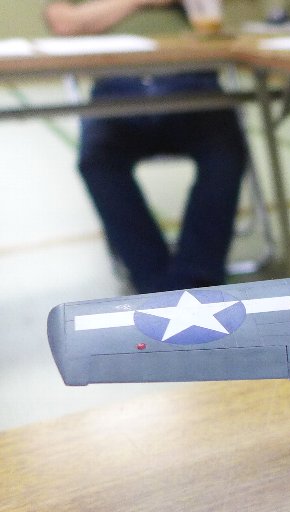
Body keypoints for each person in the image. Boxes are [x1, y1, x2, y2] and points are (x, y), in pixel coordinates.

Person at [44, 0, 249, 293]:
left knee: (225, 151)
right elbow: (64, 22)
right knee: (97, 161)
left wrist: (97, 14)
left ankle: (196, 279)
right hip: (116, 87)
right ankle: (156, 284)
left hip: (190, 79)